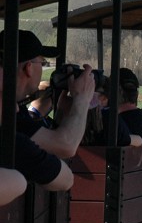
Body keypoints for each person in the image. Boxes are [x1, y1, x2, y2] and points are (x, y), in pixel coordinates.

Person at [3, 29, 95, 161]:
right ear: (29, 68)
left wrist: (61, 114)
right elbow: (66, 147)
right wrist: (82, 99)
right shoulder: (10, 113)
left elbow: (47, 144)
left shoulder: (17, 108)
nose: (42, 68)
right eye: (42, 63)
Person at [0, 62, 73, 194]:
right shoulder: (10, 141)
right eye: (4, 97)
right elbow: (66, 150)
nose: (17, 108)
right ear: (28, 67)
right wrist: (82, 99)